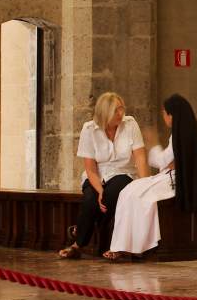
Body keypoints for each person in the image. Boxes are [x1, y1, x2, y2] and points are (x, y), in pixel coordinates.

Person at [104, 94, 197, 260]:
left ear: (171, 115)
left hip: (174, 182)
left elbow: (163, 160)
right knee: (128, 192)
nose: (164, 117)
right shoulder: (184, 132)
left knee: (141, 198)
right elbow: (169, 162)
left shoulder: (179, 134)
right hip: (171, 177)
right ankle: (125, 245)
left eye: (164, 113)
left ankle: (139, 246)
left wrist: (153, 144)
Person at [58, 91, 147, 259]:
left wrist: (143, 184)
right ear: (105, 113)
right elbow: (90, 168)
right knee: (91, 199)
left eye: (122, 109)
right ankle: (79, 245)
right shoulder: (89, 129)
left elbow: (140, 156)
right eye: (116, 111)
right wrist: (99, 190)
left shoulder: (130, 124)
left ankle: (83, 235)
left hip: (123, 173)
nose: (121, 114)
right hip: (96, 175)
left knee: (109, 197)